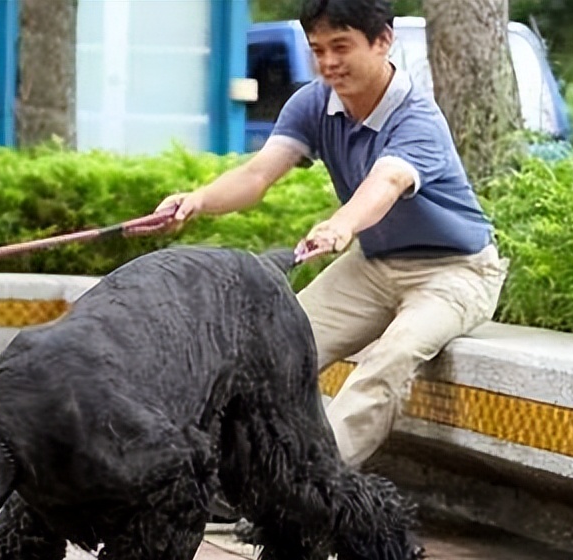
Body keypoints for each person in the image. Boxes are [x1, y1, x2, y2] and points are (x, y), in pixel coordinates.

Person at [139, 0, 508, 472]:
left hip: (455, 272)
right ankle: (223, 473)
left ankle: (314, 485)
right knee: (278, 343)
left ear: (382, 41)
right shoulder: (313, 103)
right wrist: (197, 200)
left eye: (341, 47)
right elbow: (257, 175)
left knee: (391, 356)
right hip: (374, 266)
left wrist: (341, 226)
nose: (329, 63)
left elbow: (386, 183)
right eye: (318, 49)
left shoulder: (417, 117)